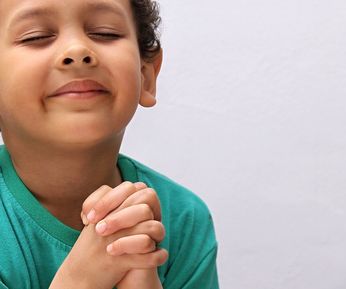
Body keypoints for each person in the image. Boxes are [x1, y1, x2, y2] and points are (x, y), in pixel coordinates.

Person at [0, 0, 219, 288]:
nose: (78, 51)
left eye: (106, 33)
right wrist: (83, 279)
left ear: (147, 75)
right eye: (36, 36)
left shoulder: (184, 220)